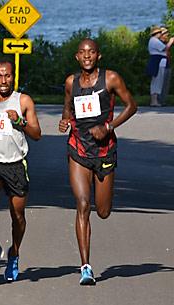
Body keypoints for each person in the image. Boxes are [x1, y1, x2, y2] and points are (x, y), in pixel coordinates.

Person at [58, 39, 137, 285]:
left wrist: (108, 127)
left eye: (91, 52)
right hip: (78, 149)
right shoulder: (71, 82)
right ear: (76, 57)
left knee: (102, 211)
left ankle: (104, 200)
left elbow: (132, 106)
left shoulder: (111, 78)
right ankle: (85, 267)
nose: (87, 56)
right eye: (82, 53)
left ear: (98, 56)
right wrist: (65, 122)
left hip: (104, 151)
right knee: (82, 204)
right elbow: (67, 111)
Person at [0, 58, 41, 282]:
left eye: (8, 76)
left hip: (15, 164)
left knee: (17, 216)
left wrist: (19, 121)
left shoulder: (23, 101)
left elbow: (36, 134)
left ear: (13, 77)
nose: (4, 80)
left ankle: (14, 253)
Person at [146, 25, 174, 106]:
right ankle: (154, 101)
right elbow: (165, 48)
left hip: (159, 62)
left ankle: (155, 101)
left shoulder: (154, 40)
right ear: (157, 33)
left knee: (157, 82)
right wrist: (171, 42)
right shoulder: (154, 41)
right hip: (158, 62)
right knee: (157, 82)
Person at [158, 27, 172, 105]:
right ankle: (159, 100)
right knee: (161, 83)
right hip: (162, 65)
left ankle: (163, 101)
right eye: (165, 33)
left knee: (166, 84)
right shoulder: (159, 42)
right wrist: (170, 43)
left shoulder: (165, 42)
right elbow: (165, 49)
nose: (167, 34)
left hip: (167, 64)